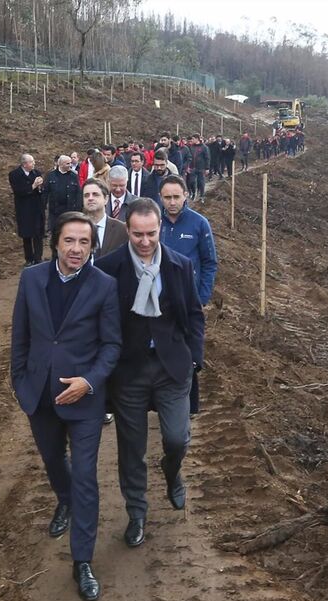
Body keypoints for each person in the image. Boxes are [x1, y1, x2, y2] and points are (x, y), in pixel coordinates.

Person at [10, 211, 121, 601]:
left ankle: (82, 562)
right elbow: (20, 336)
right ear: (56, 242)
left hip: (86, 398)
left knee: (86, 477)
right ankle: (64, 498)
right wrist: (21, 381)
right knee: (55, 462)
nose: (76, 249)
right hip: (39, 394)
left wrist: (89, 381)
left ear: (92, 247)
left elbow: (111, 345)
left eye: (84, 243)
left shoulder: (104, 286)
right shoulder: (31, 278)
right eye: (70, 241)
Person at [95, 198, 204, 550]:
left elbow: (193, 315)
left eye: (152, 234)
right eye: (138, 234)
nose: (145, 241)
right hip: (129, 372)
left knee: (176, 439)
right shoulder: (108, 268)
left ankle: (172, 472)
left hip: (172, 368)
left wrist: (194, 359)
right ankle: (136, 513)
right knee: (131, 449)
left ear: (160, 230)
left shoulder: (179, 266)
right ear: (127, 230)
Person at [158, 175, 217, 416]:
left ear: (185, 196)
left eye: (176, 197)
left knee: (188, 352)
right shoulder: (155, 223)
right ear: (160, 198)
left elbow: (209, 262)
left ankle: (190, 405)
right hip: (158, 300)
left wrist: (201, 297)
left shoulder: (199, 224)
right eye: (167, 197)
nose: (172, 202)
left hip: (187, 301)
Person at [8, 154, 45, 267]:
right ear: (25, 164)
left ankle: (38, 258)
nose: (34, 164)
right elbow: (18, 191)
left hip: (37, 208)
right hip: (24, 208)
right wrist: (33, 186)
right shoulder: (15, 175)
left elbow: (41, 191)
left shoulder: (36, 173)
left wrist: (40, 187)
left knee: (38, 234)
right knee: (27, 235)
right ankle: (29, 258)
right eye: (31, 162)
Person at [84, 178, 127, 259]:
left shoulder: (121, 229)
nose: (90, 198)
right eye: (86, 195)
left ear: (106, 199)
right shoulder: (76, 228)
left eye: (95, 194)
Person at [42, 155, 81, 233]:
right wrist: (43, 206)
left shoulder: (74, 176)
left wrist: (78, 208)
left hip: (69, 210)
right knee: (55, 232)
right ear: (61, 164)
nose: (70, 165)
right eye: (68, 163)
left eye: (70, 163)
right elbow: (45, 192)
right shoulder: (51, 175)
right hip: (55, 210)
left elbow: (78, 193)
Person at [186, 134, 210, 203]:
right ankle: (194, 193)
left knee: (201, 182)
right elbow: (189, 157)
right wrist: (188, 166)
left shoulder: (204, 147)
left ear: (197, 139)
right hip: (192, 167)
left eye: (193, 139)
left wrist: (207, 168)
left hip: (201, 168)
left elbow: (207, 158)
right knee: (191, 182)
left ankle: (201, 196)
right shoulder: (191, 147)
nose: (192, 140)